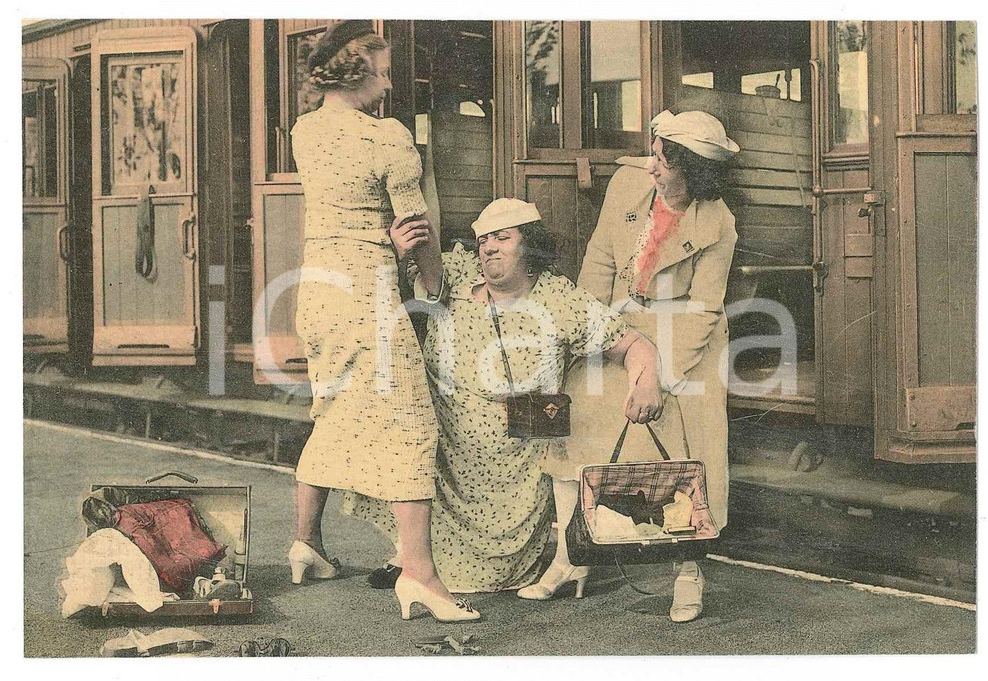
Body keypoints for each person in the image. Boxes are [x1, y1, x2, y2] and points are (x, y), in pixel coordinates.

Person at [363, 198, 662, 594]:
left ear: (530, 247)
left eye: (502, 238)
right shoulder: (455, 276)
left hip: (513, 459)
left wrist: (646, 383)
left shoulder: (559, 300)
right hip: (442, 440)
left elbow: (633, 345)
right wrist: (404, 252)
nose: (488, 247)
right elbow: (412, 275)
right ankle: (410, 550)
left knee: (486, 578)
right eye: (483, 239)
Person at [288, 20, 478, 623]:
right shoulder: (388, 137)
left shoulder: (305, 130)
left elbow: (343, 214)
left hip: (316, 292)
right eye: (385, 70)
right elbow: (417, 226)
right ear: (358, 67)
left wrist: (381, 239)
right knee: (413, 423)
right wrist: (433, 283)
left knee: (334, 410)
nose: (390, 83)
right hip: (363, 296)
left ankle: (307, 544)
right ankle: (420, 576)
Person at [520, 110, 739, 623]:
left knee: (685, 455)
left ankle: (689, 572)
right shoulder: (627, 185)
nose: (653, 167)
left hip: (685, 341)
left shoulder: (718, 223)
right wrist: (584, 331)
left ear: (694, 171)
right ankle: (570, 557)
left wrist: (657, 377)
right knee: (575, 433)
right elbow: (598, 261)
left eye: (663, 161)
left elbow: (705, 307)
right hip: (617, 326)